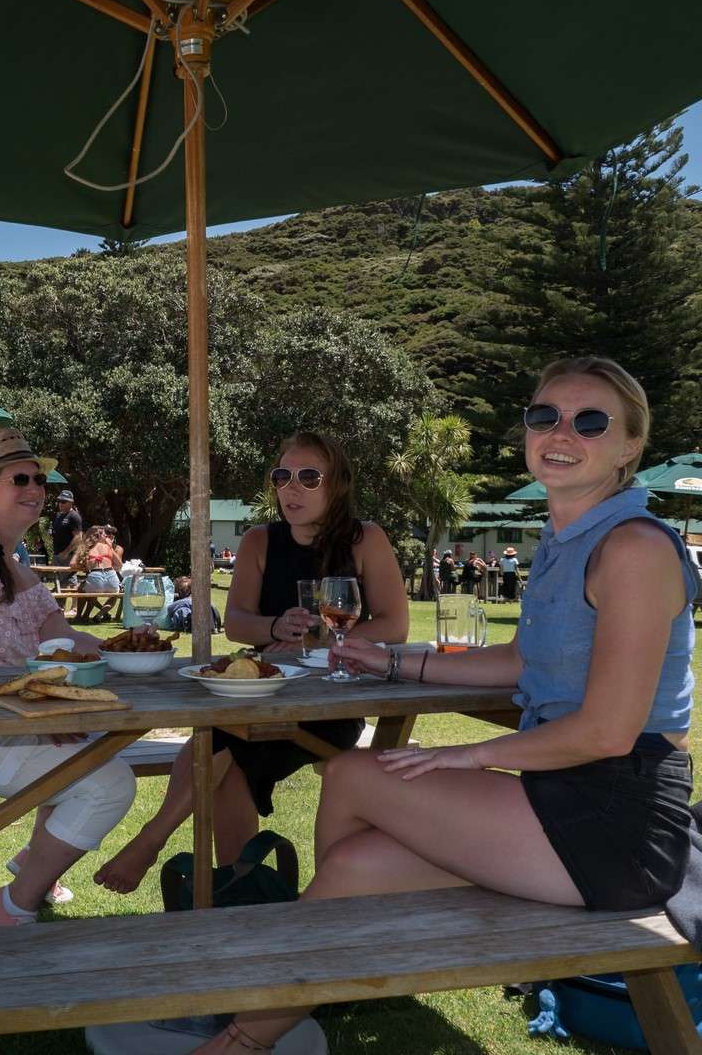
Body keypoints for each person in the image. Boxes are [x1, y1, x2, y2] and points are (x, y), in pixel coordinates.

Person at [199, 358, 699, 1053]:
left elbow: (611, 731)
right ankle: (248, 1034)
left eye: (591, 421)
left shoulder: (633, 549)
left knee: (353, 775)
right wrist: (393, 659)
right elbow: (521, 661)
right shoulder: (566, 542)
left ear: (630, 446)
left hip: (619, 822)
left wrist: (469, 755)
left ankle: (329, 971)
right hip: (565, 803)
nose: (562, 432)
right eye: (544, 416)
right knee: (351, 871)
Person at [94, 431, 408, 896]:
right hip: (260, 688)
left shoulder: (367, 539)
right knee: (225, 745)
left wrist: (321, 641)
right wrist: (276, 628)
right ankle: (241, 892)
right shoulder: (260, 540)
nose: (291, 488)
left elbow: (394, 625)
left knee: (218, 740)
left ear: (337, 484)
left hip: (331, 698)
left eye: (309, 477)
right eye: (282, 476)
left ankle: (153, 841)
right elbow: (238, 622)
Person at [0, 428, 135, 928]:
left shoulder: (15, 566)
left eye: (39, 478)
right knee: (108, 784)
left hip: (0, 722)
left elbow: (65, 636)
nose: (36, 487)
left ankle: (36, 862)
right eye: (20, 478)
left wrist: (133, 646)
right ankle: (11, 905)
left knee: (102, 744)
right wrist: (34, 717)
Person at [72, 525, 122, 623]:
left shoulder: (85, 547)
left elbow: (73, 564)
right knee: (94, 590)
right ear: (101, 536)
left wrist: (84, 566)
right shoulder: (108, 547)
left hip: (95, 577)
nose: (107, 536)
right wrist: (110, 548)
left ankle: (79, 616)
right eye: (105, 534)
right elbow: (119, 564)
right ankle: (89, 615)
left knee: (82, 589)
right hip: (112, 579)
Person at [50, 490, 83, 566]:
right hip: (57, 555)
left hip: (68, 556)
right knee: (57, 577)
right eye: (59, 501)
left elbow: (78, 537)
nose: (60, 504)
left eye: (64, 502)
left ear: (71, 503)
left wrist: (66, 552)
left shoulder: (74, 516)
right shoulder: (58, 516)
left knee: (69, 577)